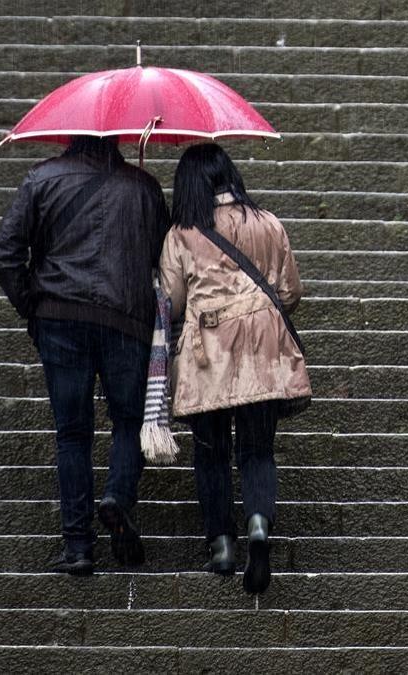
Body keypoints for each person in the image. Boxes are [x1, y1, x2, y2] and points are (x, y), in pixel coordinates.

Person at [0, 135, 170, 575]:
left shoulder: (42, 178)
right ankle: (117, 497)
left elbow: (4, 253)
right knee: (129, 420)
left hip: (59, 316)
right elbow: (164, 258)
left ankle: (78, 547)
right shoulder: (144, 187)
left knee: (72, 433)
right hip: (125, 320)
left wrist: (32, 307)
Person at [158, 143, 311, 594]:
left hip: (209, 354)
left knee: (211, 452)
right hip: (264, 350)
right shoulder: (268, 222)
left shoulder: (181, 234)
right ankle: (259, 524)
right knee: (258, 449)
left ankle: (222, 544)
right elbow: (289, 291)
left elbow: (173, 302)